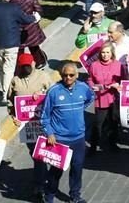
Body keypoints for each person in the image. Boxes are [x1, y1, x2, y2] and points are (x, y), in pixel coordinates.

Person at [39, 62, 95, 203]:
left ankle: (75, 196)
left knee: (77, 168)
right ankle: (49, 195)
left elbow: (90, 98)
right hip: (60, 139)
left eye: (71, 75)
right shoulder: (53, 92)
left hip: (79, 138)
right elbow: (44, 117)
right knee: (56, 171)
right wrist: (50, 133)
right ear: (61, 75)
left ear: (77, 75)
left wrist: (77, 109)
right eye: (65, 75)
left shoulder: (83, 88)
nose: (68, 78)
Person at [8, 51, 53, 198]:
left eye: (28, 65)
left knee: (42, 153)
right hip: (27, 127)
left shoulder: (44, 77)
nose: (26, 68)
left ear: (33, 63)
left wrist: (42, 92)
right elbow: (10, 102)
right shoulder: (15, 81)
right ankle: (42, 180)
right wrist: (14, 116)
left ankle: (41, 183)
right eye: (23, 66)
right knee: (36, 154)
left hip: (44, 123)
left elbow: (54, 93)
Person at [87, 42, 121, 154]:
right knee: (98, 124)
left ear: (112, 53)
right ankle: (93, 146)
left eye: (107, 52)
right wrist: (92, 86)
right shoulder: (94, 65)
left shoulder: (118, 65)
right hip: (100, 99)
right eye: (103, 52)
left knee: (113, 122)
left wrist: (118, 86)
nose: (105, 55)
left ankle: (112, 143)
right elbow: (90, 79)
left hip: (113, 98)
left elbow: (123, 80)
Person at [10, 0, 46, 69]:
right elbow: (38, 9)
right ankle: (40, 62)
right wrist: (37, 16)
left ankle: (20, 67)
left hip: (16, 27)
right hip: (30, 26)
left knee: (19, 49)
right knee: (34, 47)